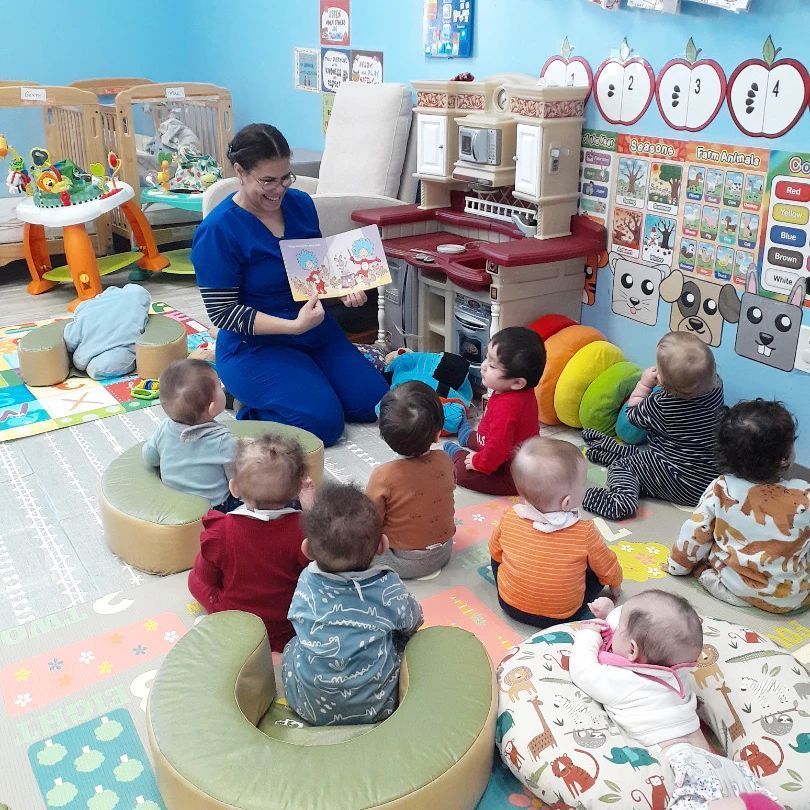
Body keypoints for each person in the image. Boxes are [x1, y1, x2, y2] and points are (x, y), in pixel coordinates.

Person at [191, 123, 389, 447]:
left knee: (374, 404)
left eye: (285, 178)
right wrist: (292, 326)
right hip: (253, 346)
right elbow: (223, 313)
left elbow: (316, 265)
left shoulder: (300, 204)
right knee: (324, 425)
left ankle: (304, 381)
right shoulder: (218, 231)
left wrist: (345, 285)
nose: (278, 189)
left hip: (314, 330)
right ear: (240, 172)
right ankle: (248, 406)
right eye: (267, 180)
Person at [570, 590, 776, 809]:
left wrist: (589, 634)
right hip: (721, 764)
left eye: (618, 626)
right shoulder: (677, 670)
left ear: (632, 649)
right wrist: (611, 613)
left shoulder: (622, 680)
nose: (613, 630)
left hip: (682, 763)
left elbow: (582, 669)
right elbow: (640, 624)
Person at [282, 483, 423, 726]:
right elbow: (414, 620)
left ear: (307, 550)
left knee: (293, 645)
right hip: (377, 707)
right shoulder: (387, 586)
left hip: (308, 706)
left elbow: (296, 618)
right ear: (382, 545)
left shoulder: (306, 581)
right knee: (404, 640)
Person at [665, 400, 809, 614]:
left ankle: (711, 577)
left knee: (707, 565)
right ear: (785, 459)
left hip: (734, 587)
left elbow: (695, 533)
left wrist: (677, 566)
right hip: (790, 599)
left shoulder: (721, 489)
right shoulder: (804, 496)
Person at [187, 434, 313, 651]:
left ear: (234, 488)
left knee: (194, 579)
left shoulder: (221, 530)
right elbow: (320, 559)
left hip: (234, 619)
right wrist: (311, 509)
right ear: (296, 490)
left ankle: (218, 630)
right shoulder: (304, 530)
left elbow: (206, 577)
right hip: (286, 625)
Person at [583, 331, 724, 520]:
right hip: (712, 475)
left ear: (663, 381)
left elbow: (631, 415)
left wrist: (643, 385)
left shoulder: (661, 404)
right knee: (647, 457)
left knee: (623, 468)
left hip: (680, 480)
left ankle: (621, 503)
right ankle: (618, 452)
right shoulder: (716, 388)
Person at [489, 436, 622, 628]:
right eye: (583, 483)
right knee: (597, 567)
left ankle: (517, 586)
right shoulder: (584, 532)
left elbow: (494, 551)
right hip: (563, 616)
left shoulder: (510, 516)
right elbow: (608, 567)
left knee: (498, 553)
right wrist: (615, 585)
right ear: (566, 502)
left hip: (509, 604)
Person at [366, 381, 456, 579]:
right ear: (437, 434)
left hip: (401, 561)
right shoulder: (445, 459)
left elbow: (371, 521)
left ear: (384, 435)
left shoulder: (382, 475)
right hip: (444, 551)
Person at [442, 326, 545, 495]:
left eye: (492, 365)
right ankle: (468, 437)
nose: (483, 367)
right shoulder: (516, 391)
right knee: (490, 437)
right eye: (486, 358)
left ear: (518, 382)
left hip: (511, 472)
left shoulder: (508, 408)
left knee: (461, 474)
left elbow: (497, 449)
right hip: (505, 447)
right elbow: (498, 436)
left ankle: (458, 454)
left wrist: (478, 462)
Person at [142, 359, 238, 512]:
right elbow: (235, 480)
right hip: (215, 508)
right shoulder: (222, 440)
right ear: (212, 407)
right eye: (219, 386)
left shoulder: (164, 428)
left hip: (175, 505)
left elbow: (150, 457)